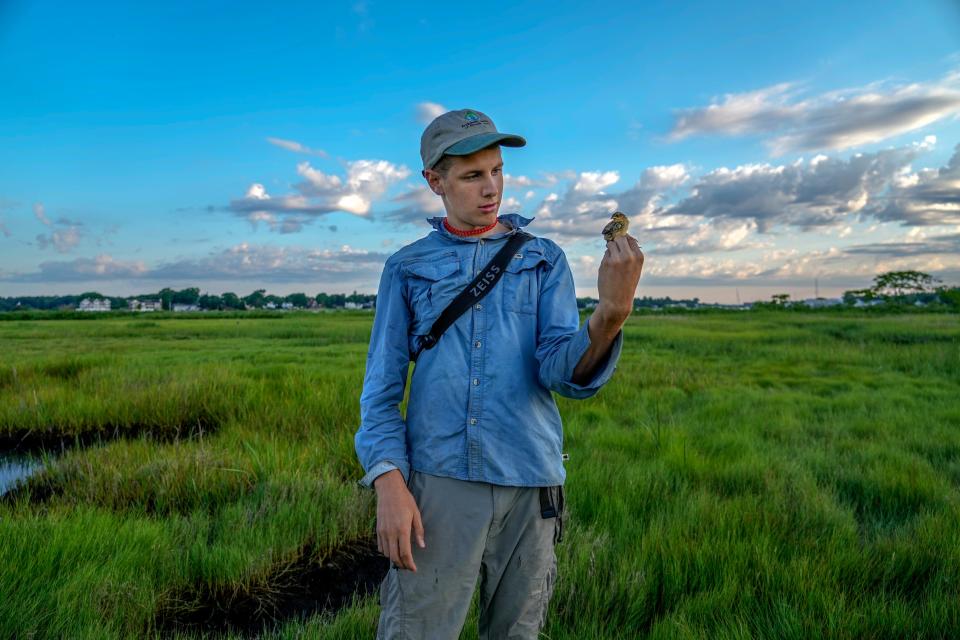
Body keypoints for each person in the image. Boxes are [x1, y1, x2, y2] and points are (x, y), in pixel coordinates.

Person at [354, 108, 644, 639]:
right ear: (434, 181)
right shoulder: (407, 267)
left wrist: (609, 316)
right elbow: (379, 395)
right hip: (439, 485)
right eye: (471, 176)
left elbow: (561, 372)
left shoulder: (543, 259)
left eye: (497, 171)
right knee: (419, 631)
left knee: (517, 632)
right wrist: (389, 484)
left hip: (531, 482)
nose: (491, 189)